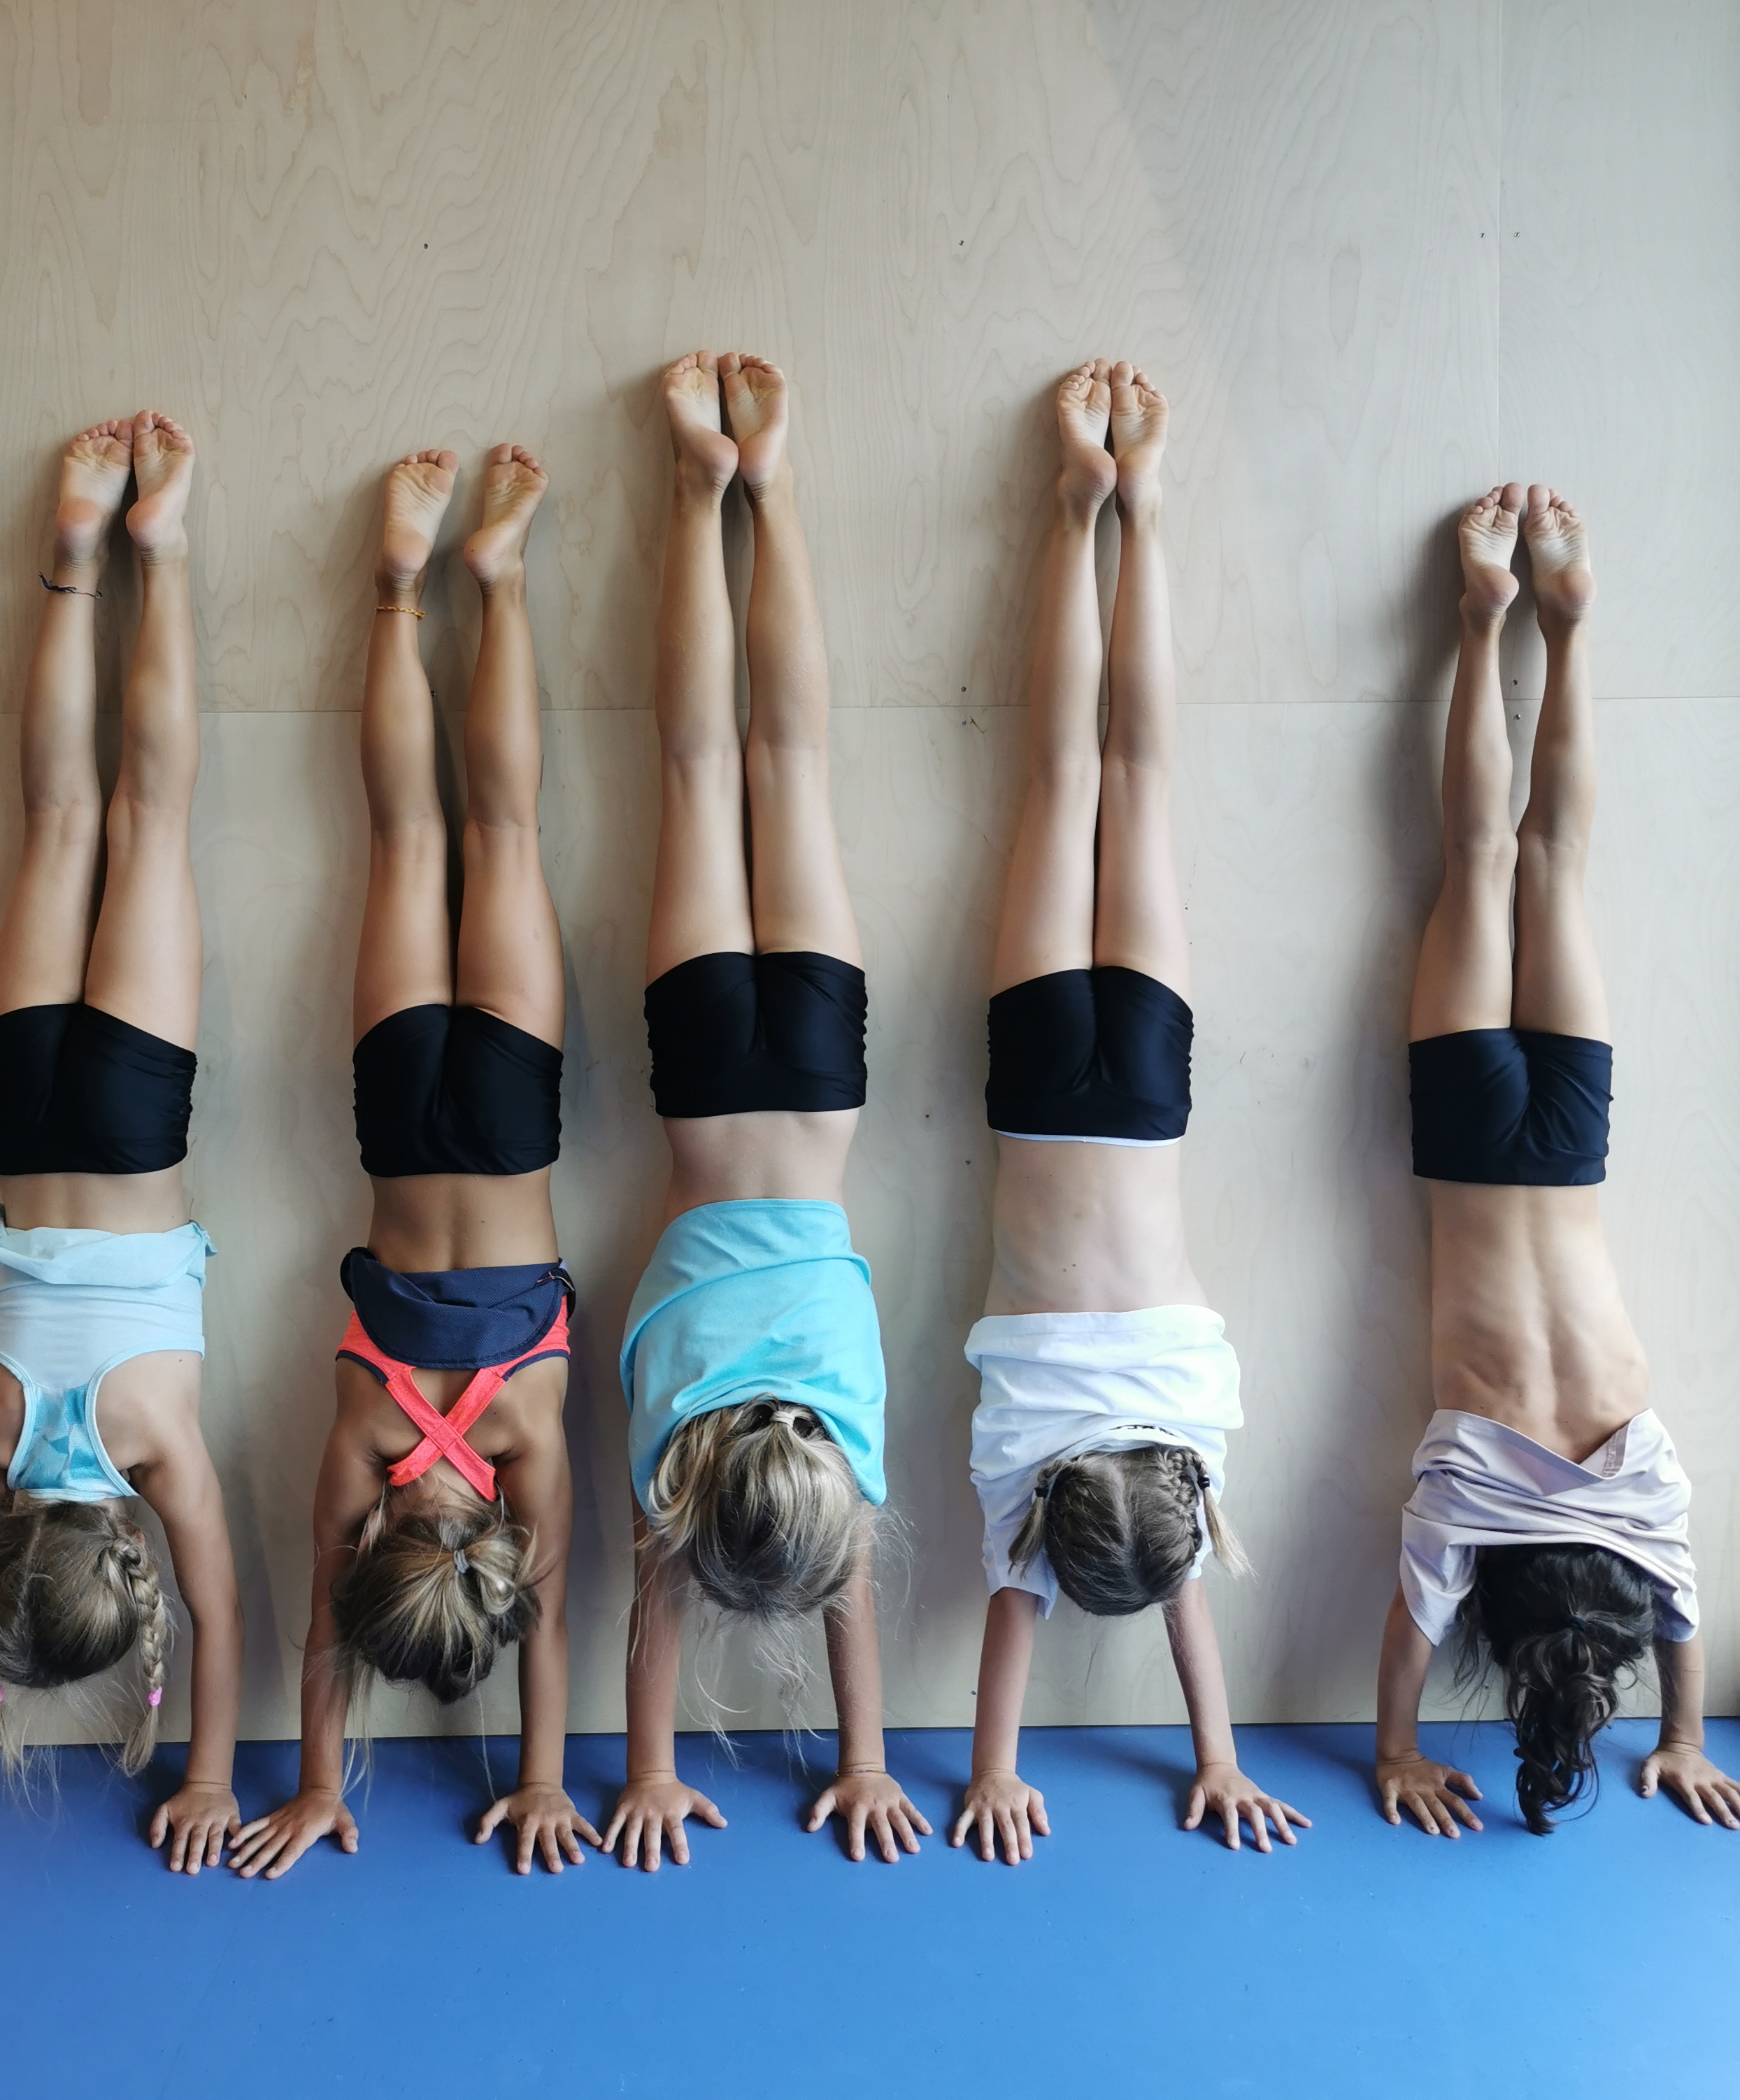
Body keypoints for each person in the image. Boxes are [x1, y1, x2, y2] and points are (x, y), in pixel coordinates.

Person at [0, 413, 242, 1880]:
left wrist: (210, 1776)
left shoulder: (154, 1448)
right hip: (17, 1120)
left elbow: (222, 1614)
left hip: (132, 1130)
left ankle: (160, 547)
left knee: (146, 817)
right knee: (63, 818)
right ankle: (77, 558)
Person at [950, 362, 1308, 1864]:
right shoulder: (1027, 1465)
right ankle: (1078, 508)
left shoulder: (1192, 1445)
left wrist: (1222, 1754)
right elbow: (1021, 1615)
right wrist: (994, 1770)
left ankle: (1133, 507)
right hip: (1041, 1091)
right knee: (1068, 777)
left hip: (1145, 1096)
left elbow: (1185, 1580)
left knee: (1128, 781)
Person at [230, 444, 597, 1880]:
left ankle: (493, 583)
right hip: (396, 1124)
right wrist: (318, 1783)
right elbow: (326, 1626)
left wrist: (548, 1779)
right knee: (407, 841)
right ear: (385, 1528)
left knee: (496, 836)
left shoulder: (523, 1448)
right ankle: (399, 591)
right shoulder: (366, 1445)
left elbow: (548, 1627)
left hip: (509, 1131)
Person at [1374, 484, 1740, 1838]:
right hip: (1472, 1141)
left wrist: (1686, 1732)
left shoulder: (1647, 1492)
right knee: (1487, 859)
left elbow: (1680, 1611)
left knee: (1553, 862)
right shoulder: (1462, 1502)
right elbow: (1411, 1640)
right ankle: (1488, 623)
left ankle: (1568, 627)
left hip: (1572, 1142)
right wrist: (1397, 1752)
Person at [604, 352, 926, 1871]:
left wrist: (870, 1760)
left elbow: (840, 1568)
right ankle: (706, 486)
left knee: (787, 768)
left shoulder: (838, 1441)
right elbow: (657, 1599)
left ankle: (769, 484)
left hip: (815, 1076)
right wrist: (649, 1770)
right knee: (700, 770)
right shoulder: (676, 1446)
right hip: (700, 1077)